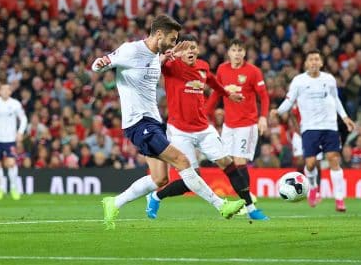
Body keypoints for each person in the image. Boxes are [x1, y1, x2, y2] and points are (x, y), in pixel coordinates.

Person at [92, 15, 245, 230]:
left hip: (153, 121)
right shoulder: (131, 50)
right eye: (172, 39)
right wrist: (101, 63)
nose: (174, 43)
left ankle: (113, 203)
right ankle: (222, 206)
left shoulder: (156, 56)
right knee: (183, 162)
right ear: (159, 35)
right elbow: (100, 64)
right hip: (138, 122)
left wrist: (169, 55)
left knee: (160, 179)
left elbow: (154, 62)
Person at [145, 35, 269, 221]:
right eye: (186, 48)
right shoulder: (170, 67)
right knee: (191, 179)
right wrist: (166, 57)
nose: (191, 51)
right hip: (180, 131)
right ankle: (155, 197)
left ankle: (251, 208)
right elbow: (151, 66)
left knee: (229, 164)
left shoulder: (203, 67)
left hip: (203, 128)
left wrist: (228, 94)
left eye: (193, 48)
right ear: (179, 51)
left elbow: (212, 82)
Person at [273, 49, 355, 212]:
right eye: (311, 59)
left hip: (330, 126)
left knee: (333, 159)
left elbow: (336, 99)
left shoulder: (329, 79)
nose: (314, 62)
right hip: (309, 128)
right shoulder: (299, 81)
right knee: (310, 164)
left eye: (317, 59)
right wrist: (278, 111)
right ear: (306, 63)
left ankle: (339, 199)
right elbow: (290, 100)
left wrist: (345, 117)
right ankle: (313, 187)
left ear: (321, 63)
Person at [205, 38, 270, 211]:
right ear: (228, 52)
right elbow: (216, 95)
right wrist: (203, 114)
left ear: (245, 53)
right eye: (234, 50)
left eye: (240, 50)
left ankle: (247, 202)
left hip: (247, 124)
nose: (237, 54)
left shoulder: (253, 71)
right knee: (227, 162)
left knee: (239, 160)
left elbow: (263, 96)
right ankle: (248, 197)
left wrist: (263, 117)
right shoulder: (222, 69)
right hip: (229, 125)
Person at [0, 84, 28, 200]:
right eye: (2, 89)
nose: (5, 91)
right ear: (0, 91)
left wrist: (20, 132)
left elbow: (24, 118)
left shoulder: (15, 104)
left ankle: (13, 187)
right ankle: (0, 188)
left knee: (11, 164)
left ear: (10, 92)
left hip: (10, 139)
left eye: (7, 90)